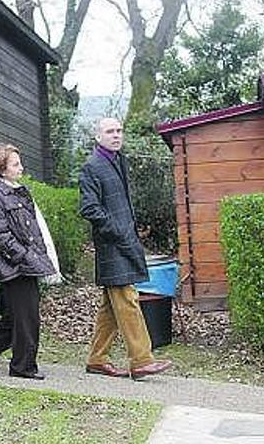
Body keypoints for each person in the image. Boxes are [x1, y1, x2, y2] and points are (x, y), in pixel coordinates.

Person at [79, 117, 172, 380]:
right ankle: (141, 360)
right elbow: (89, 208)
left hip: (124, 241)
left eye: (119, 131)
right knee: (129, 299)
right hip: (111, 245)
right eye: (110, 131)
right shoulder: (92, 166)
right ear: (98, 136)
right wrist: (117, 230)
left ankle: (97, 359)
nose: (116, 135)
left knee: (111, 306)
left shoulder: (118, 160)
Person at [0, 144, 54, 380]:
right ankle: (22, 366)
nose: (21, 168)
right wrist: (25, 257)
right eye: (16, 164)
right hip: (14, 265)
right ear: (1, 168)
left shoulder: (18, 190)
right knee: (27, 319)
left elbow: (32, 228)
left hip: (26, 261)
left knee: (18, 316)